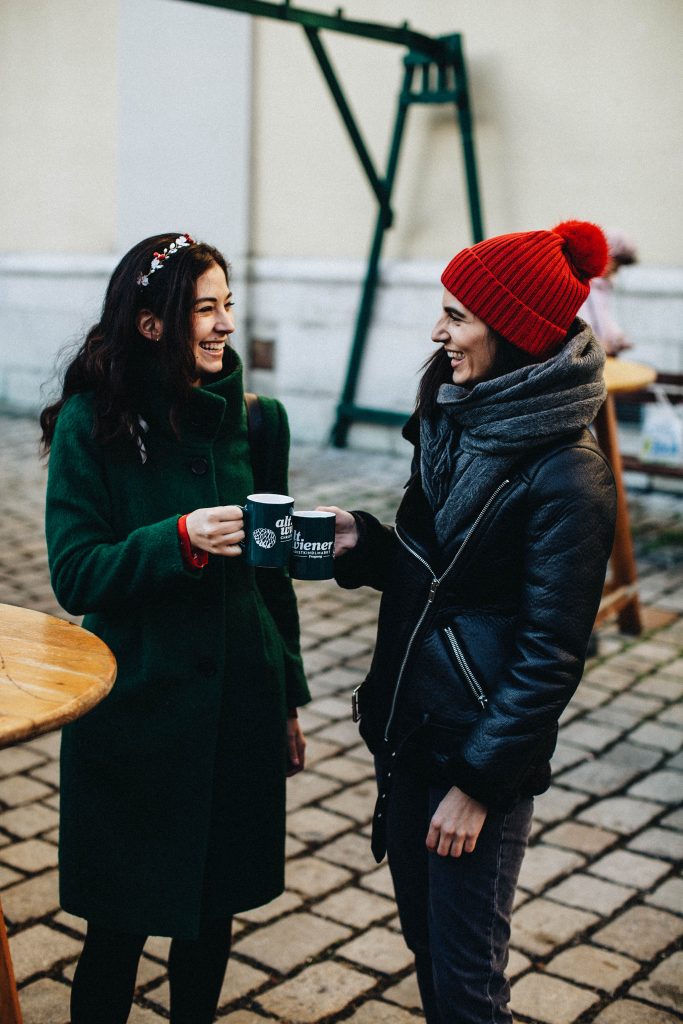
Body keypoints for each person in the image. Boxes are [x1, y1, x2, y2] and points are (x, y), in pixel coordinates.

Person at [322, 221, 617, 1023]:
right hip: (415, 732)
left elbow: (551, 656)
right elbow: (445, 579)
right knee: (427, 945)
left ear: (513, 329)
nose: (436, 331)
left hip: (476, 760)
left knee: (466, 983)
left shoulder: (568, 475)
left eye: (456, 315)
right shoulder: (457, 415)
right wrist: (363, 544)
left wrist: (480, 786)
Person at [40, 233, 310, 1024]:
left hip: (237, 708)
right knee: (116, 930)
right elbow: (77, 573)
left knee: (211, 919)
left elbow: (273, 575)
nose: (225, 323)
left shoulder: (259, 424)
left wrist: (287, 697)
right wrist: (179, 540)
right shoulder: (91, 423)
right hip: (135, 714)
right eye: (205, 307)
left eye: (229, 304)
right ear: (152, 324)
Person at [579, 228, 638, 355]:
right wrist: (595, 344)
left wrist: (617, 337)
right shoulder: (585, 284)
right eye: (615, 264)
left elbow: (603, 318)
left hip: (598, 354)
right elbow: (581, 322)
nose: (615, 270)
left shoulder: (603, 286)